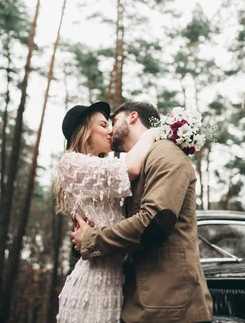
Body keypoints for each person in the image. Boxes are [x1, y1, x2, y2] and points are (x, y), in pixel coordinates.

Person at [71, 101, 213, 323]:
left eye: (113, 121)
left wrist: (92, 239)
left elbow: (156, 221)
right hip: (137, 305)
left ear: (133, 117)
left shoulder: (165, 152)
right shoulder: (130, 171)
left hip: (169, 307)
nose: (109, 129)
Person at [55, 101, 156, 323]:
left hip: (116, 283)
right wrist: (152, 134)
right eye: (103, 125)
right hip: (90, 286)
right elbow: (130, 168)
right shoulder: (70, 163)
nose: (111, 130)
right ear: (84, 130)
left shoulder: (104, 166)